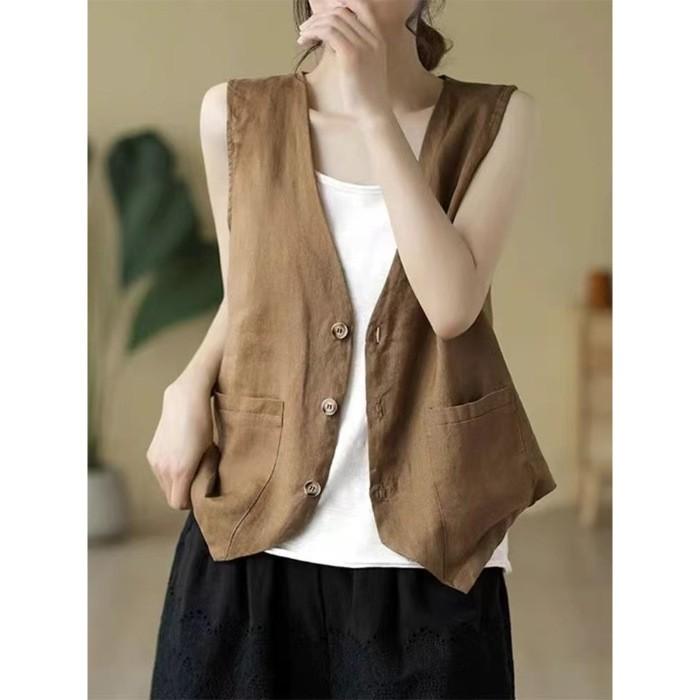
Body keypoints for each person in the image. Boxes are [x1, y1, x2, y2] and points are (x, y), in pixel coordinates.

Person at [148, 1, 554, 698]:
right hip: (254, 530)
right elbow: (251, 296)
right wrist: (187, 387)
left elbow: (451, 305)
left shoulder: (497, 119)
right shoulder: (234, 116)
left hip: (430, 547)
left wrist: (373, 113)